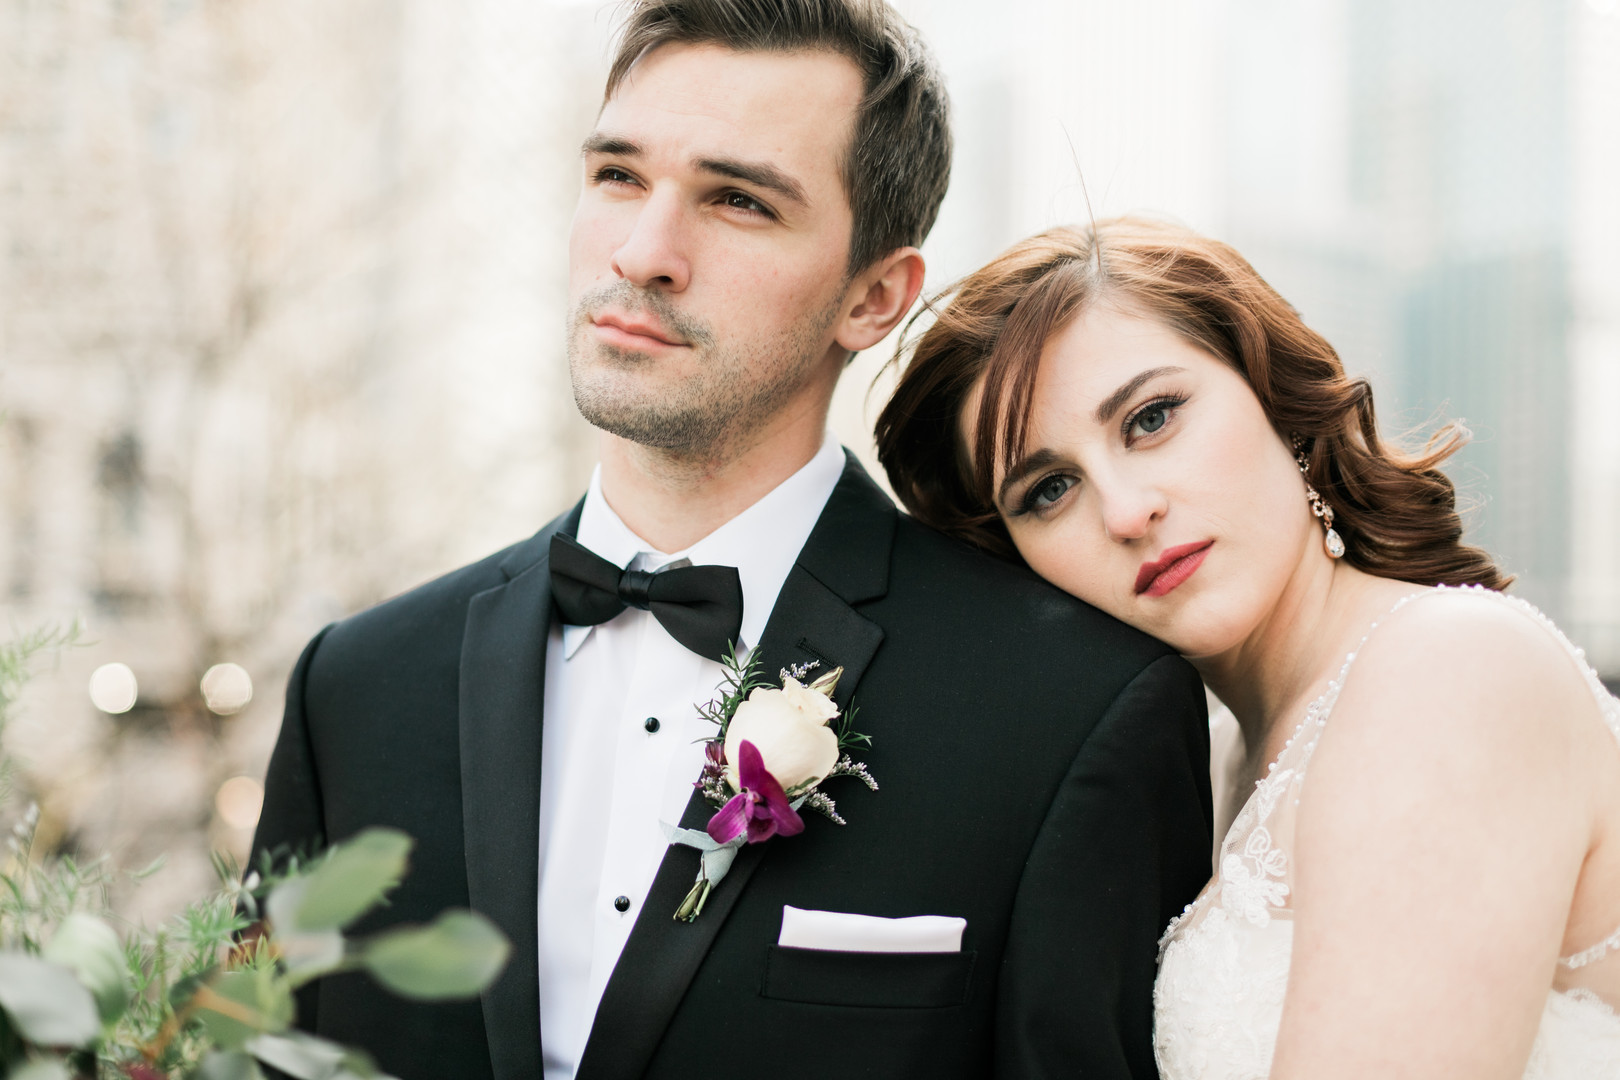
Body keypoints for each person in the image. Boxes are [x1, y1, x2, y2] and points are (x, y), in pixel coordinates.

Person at [253, 6, 1214, 1078]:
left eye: (739, 201)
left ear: (875, 295)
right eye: (619, 176)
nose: (644, 251)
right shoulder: (356, 687)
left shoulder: (1073, 711)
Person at [876, 215, 1620, 1079]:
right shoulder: (1220, 756)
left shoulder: (1450, 668)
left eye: (1152, 417)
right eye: (1048, 490)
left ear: (1278, 402)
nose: (1125, 512)